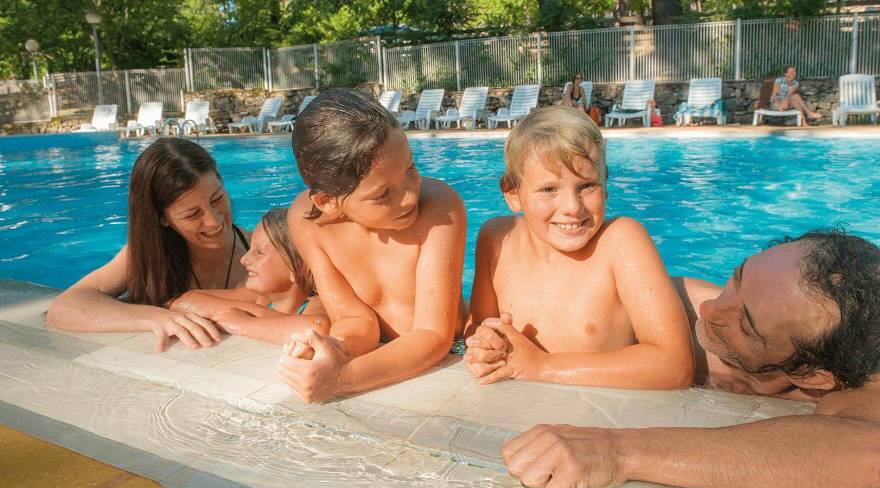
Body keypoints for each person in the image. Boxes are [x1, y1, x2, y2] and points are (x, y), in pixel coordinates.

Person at [501, 228, 880, 488]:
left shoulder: (862, 382)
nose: (709, 308)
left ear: (814, 376)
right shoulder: (682, 307)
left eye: (745, 323)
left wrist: (617, 451)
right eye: (737, 277)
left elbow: (869, 459)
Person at [463, 106, 693, 389]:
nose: (572, 207)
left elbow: (674, 366)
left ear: (605, 185)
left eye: (587, 186)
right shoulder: (497, 238)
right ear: (513, 194)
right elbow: (476, 329)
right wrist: (485, 345)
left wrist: (541, 366)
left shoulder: (622, 241)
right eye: (549, 189)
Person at [279, 88, 467, 403]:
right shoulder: (306, 221)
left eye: (411, 170)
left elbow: (434, 335)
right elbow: (354, 319)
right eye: (383, 195)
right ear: (327, 202)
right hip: (384, 356)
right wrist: (332, 351)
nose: (410, 195)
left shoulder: (441, 208)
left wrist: (344, 378)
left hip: (450, 353)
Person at [47, 137, 250, 353]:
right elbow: (64, 308)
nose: (213, 220)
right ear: (162, 218)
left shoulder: (260, 250)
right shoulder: (151, 255)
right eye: (192, 214)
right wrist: (155, 317)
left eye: (217, 198)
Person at [169, 208, 328, 346]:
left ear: (298, 267)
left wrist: (246, 323)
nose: (244, 259)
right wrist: (254, 311)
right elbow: (184, 301)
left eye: (259, 252)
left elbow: (318, 329)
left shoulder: (317, 302)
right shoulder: (259, 298)